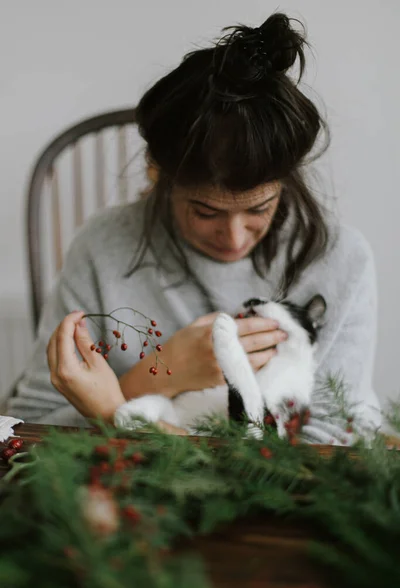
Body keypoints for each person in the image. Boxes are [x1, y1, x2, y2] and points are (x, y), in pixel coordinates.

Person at [4, 13, 381, 441]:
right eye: (205, 212)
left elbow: (338, 444)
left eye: (259, 209)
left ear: (286, 183)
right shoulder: (103, 247)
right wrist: (157, 375)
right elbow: (30, 422)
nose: (234, 237)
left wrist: (115, 407)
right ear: (155, 175)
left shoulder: (339, 259)